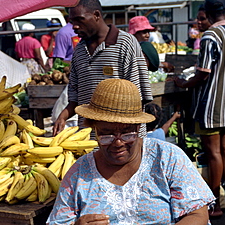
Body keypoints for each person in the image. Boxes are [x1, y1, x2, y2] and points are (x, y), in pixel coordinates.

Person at [46, 78, 222, 225]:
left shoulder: (167, 157)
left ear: (139, 127)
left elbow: (199, 219)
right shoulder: (79, 173)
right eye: (106, 134)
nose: (118, 142)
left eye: (127, 133)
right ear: (94, 128)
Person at [174, 0, 225, 217]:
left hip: (212, 103)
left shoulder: (211, 36)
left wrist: (183, 83)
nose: (198, 21)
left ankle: (215, 205)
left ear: (209, 15)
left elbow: (203, 73)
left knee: (213, 152)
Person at [53, 0, 153, 137]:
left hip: (121, 139)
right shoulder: (79, 51)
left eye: (80, 20)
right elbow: (75, 98)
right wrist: (63, 116)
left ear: (96, 15)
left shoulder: (126, 43)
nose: (75, 26)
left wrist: (132, 137)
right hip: (88, 139)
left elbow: (137, 98)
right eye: (72, 21)